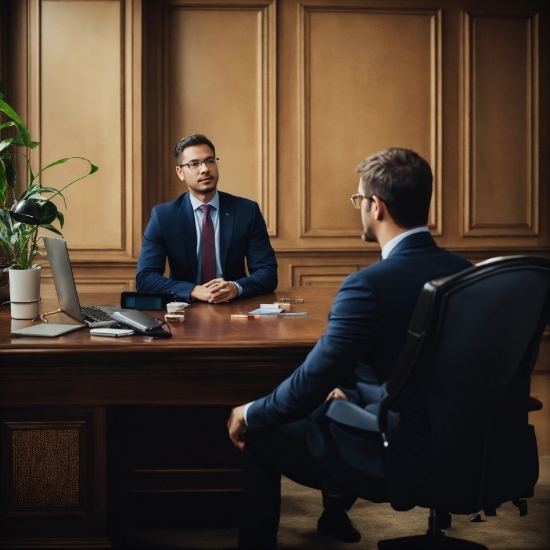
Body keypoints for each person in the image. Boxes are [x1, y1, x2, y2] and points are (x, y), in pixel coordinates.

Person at [227, 148, 472, 549]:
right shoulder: (466, 273)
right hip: (463, 443)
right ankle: (334, 512)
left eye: (359, 199)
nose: (358, 207)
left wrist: (250, 412)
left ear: (377, 207)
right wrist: (359, 392)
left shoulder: (367, 286)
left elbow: (312, 380)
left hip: (395, 451)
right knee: (339, 390)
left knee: (261, 436)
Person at [136, 134, 277, 303]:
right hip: (185, 309)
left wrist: (235, 287)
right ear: (180, 173)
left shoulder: (246, 211)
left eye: (210, 161)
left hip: (235, 307)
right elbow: (145, 278)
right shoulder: (164, 216)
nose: (205, 169)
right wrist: (193, 290)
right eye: (194, 164)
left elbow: (267, 272)